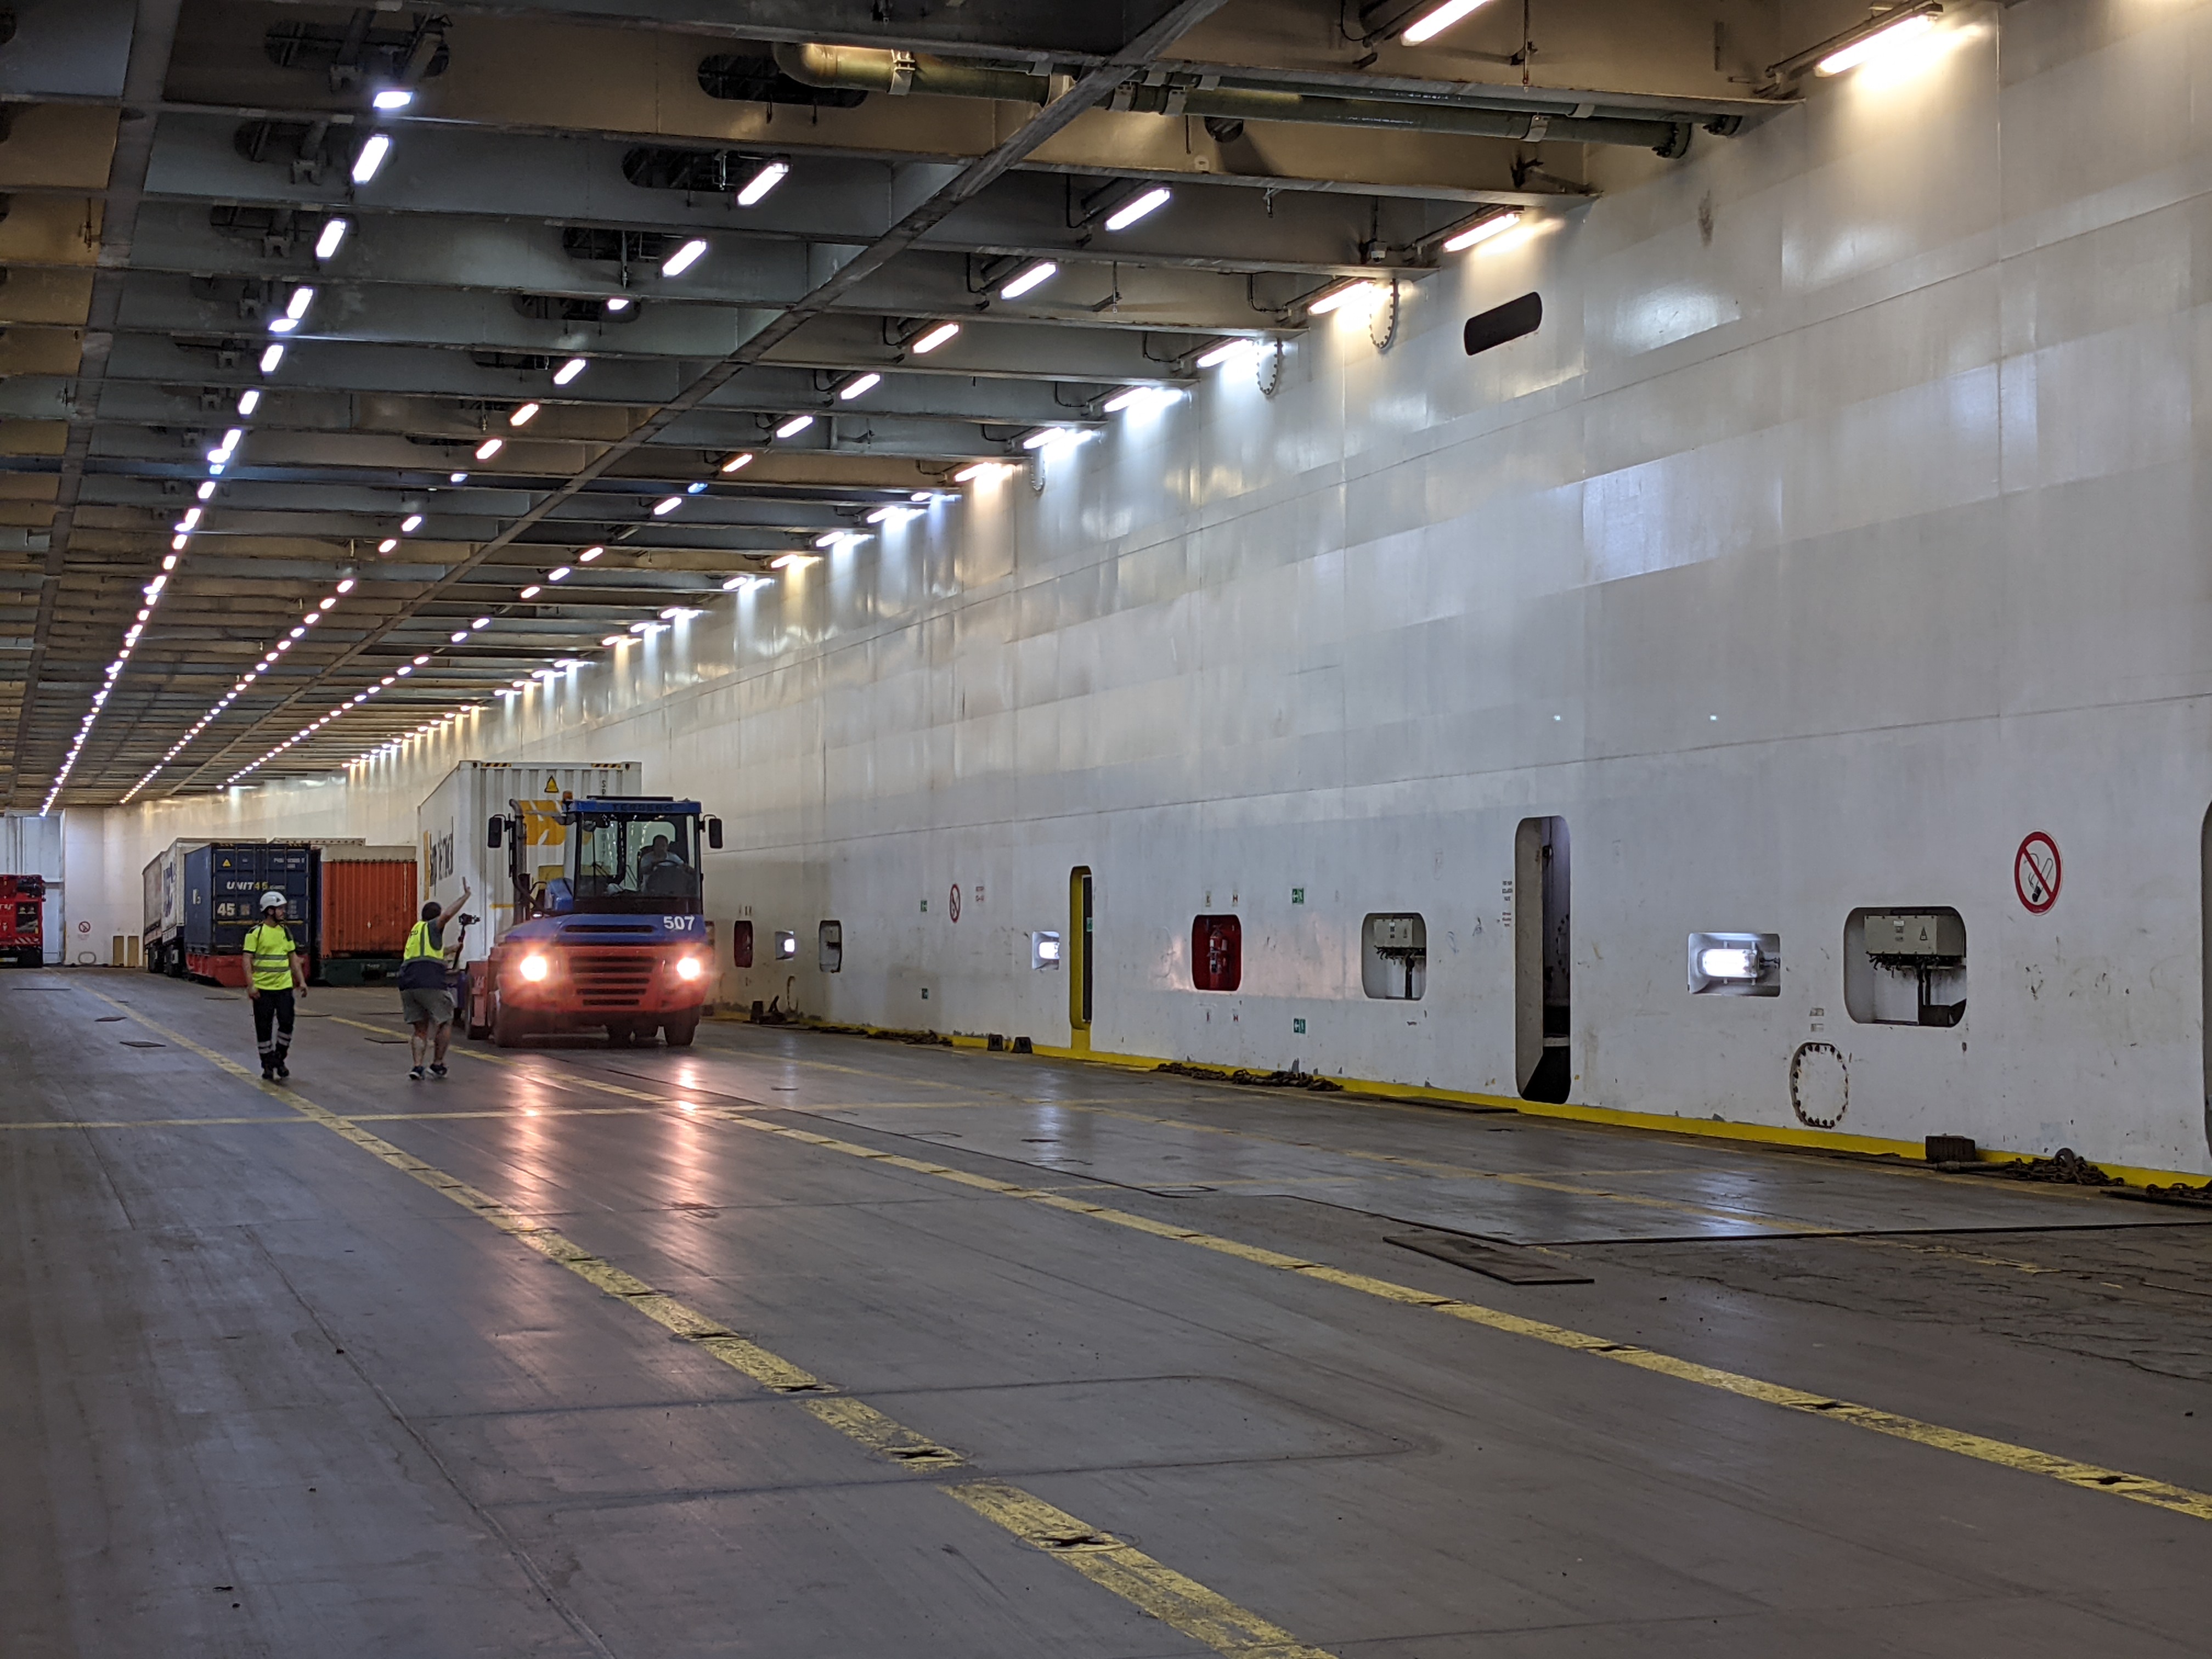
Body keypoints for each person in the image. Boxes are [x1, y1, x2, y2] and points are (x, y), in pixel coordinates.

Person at [400, 880, 470, 1080]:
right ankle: (437, 1064)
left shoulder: (417, 930)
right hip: (429, 980)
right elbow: (447, 915)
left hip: (408, 981)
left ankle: (417, 1066)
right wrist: (465, 896)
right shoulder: (434, 926)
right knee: (446, 1020)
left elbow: (427, 954)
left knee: (420, 1029)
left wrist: (451, 949)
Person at [242, 891, 306, 1081]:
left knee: (287, 1024)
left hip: (284, 989)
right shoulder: (255, 933)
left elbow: (293, 958)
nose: (283, 912)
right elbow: (247, 960)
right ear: (269, 910)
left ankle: (279, 1058)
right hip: (263, 991)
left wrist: (301, 981)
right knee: (264, 1029)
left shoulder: (285, 932)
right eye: (279, 909)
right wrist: (251, 986)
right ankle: (268, 1066)